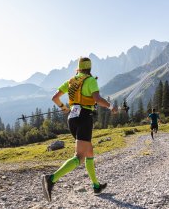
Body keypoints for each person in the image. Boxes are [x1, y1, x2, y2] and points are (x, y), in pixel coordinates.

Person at [41, 57, 117, 202]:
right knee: (79, 156)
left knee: (89, 152)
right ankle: (51, 179)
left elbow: (55, 97)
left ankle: (96, 186)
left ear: (78, 68)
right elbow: (97, 99)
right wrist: (111, 106)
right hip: (84, 118)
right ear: (89, 68)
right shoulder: (90, 80)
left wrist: (64, 108)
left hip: (72, 118)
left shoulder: (70, 81)